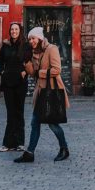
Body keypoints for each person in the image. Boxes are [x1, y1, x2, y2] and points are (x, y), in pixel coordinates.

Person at [14, 26, 70, 163]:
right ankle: (29, 153)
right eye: (29, 39)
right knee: (35, 122)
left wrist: (40, 73)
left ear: (39, 38)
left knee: (52, 124)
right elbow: (32, 73)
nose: (31, 41)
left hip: (51, 91)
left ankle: (64, 149)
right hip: (40, 93)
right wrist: (26, 61)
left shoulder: (52, 49)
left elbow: (57, 70)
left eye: (33, 38)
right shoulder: (33, 52)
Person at [0, 22, 30, 152]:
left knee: (19, 112)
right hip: (8, 83)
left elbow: (30, 61)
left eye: (16, 29)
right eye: (12, 29)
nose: (14, 31)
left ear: (20, 31)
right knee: (10, 113)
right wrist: (2, 72)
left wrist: (25, 72)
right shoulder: (6, 45)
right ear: (10, 31)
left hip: (20, 83)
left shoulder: (25, 45)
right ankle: (8, 143)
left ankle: (20, 142)